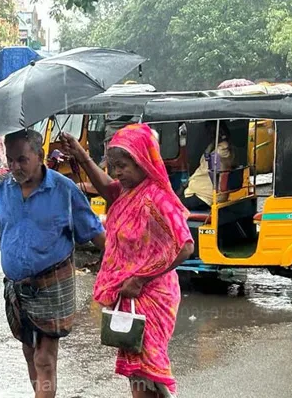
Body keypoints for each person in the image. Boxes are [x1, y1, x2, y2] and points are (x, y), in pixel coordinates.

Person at [0, 130, 106, 398]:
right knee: (30, 352)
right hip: (17, 289)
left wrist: (121, 268)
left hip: (52, 283)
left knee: (44, 358)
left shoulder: (64, 190)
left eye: (22, 159)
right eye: (10, 160)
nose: (14, 167)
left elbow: (95, 233)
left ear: (40, 156)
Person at [61, 124, 194, 398]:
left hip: (154, 294)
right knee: (136, 367)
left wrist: (141, 279)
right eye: (114, 166)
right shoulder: (125, 192)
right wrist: (81, 156)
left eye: (123, 165)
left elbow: (186, 247)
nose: (118, 172)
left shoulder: (158, 198)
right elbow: (107, 187)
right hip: (129, 292)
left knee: (149, 367)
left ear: (143, 159)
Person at [179, 121, 234, 211]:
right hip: (198, 191)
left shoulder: (221, 151)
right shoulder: (215, 146)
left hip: (204, 195)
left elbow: (213, 172)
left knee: (171, 205)